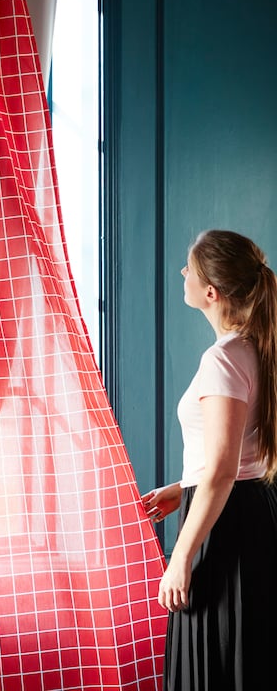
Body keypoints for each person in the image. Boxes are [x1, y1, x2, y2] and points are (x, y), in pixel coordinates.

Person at [142, 229, 277, 691]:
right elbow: (241, 453)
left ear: (211, 292)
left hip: (226, 528)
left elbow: (222, 471)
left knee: (215, 665)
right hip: (254, 514)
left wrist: (179, 557)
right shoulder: (256, 349)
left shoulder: (223, 358)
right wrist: (186, 488)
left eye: (189, 269)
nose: (182, 273)